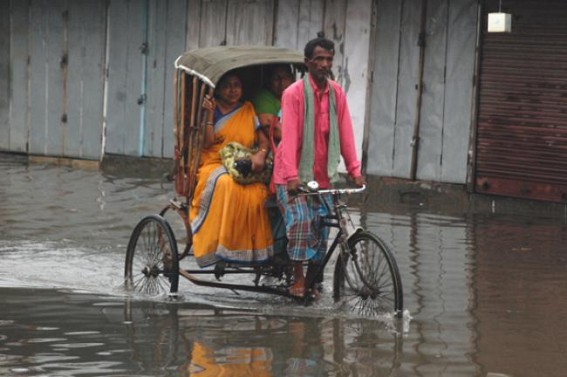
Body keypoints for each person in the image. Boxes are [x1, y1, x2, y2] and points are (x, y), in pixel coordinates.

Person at [273, 37, 365, 298]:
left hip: (324, 176)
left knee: (325, 225)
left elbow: (345, 133)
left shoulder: (336, 93)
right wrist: (291, 176)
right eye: (319, 59)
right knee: (302, 220)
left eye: (329, 59)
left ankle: (315, 279)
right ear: (308, 63)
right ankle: (298, 279)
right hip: (290, 176)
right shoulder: (293, 94)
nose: (325, 64)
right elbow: (289, 137)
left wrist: (355, 170)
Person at [190, 71, 274, 267]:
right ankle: (221, 246)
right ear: (218, 90)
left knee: (257, 192)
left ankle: (246, 251)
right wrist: (209, 114)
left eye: (237, 85)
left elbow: (262, 140)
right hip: (214, 162)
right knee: (227, 184)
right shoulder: (211, 109)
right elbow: (207, 142)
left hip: (243, 160)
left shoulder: (247, 109)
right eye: (227, 85)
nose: (232, 90)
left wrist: (260, 155)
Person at [252, 64, 295, 142]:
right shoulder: (263, 97)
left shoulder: (297, 95)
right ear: (269, 81)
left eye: (286, 77)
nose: (282, 83)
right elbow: (276, 131)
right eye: (276, 78)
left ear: (292, 79)